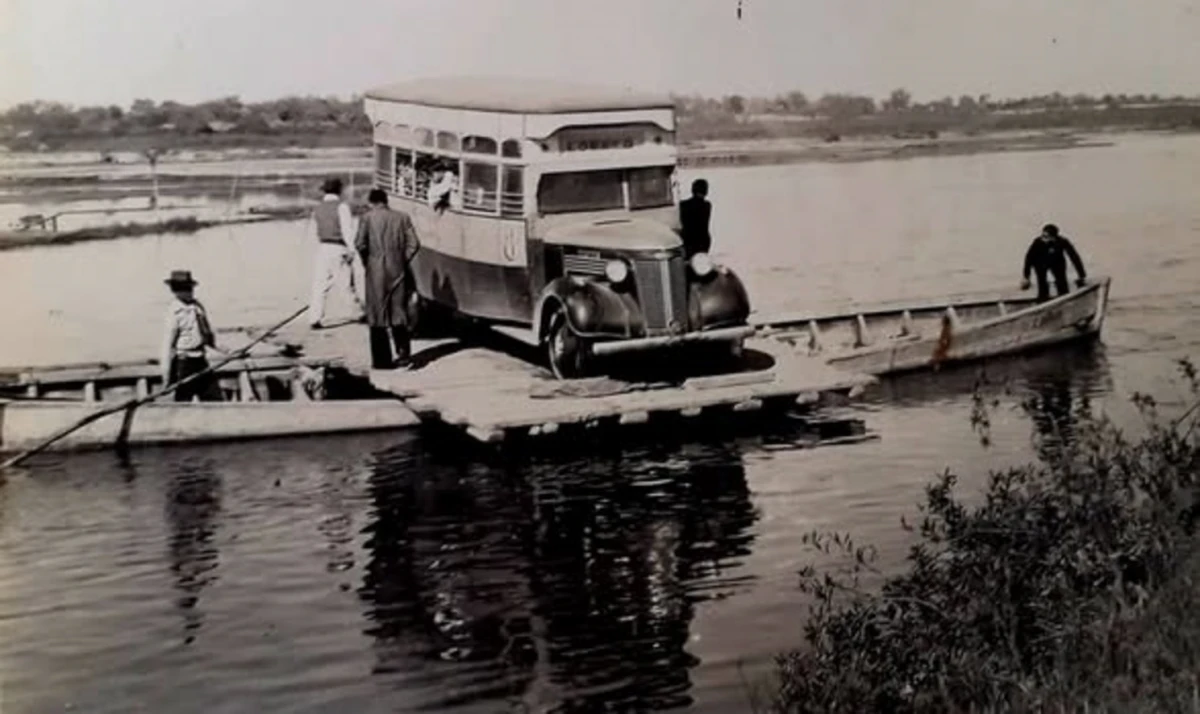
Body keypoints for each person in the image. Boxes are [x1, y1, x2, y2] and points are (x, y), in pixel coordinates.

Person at [355, 188, 422, 369]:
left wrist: (368, 262)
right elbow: (414, 244)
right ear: (386, 201)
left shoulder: (367, 218)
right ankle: (404, 356)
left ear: (372, 202)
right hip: (397, 270)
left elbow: (360, 244)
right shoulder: (402, 217)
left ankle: (381, 361)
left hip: (375, 271)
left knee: (377, 316)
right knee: (398, 313)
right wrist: (401, 259)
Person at [309, 177, 366, 329]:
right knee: (346, 283)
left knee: (319, 285)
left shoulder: (318, 208)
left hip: (323, 248)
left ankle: (314, 317)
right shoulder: (342, 207)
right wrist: (352, 250)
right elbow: (347, 231)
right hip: (338, 247)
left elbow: (314, 231)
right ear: (339, 190)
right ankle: (359, 312)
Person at [160, 270, 224, 402]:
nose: (190, 292)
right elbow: (167, 347)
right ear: (176, 291)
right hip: (184, 363)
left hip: (200, 360)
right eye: (185, 289)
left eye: (190, 288)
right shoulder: (174, 312)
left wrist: (227, 350)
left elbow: (208, 337)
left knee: (215, 399)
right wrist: (166, 378)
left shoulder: (198, 307)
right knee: (183, 401)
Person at [1021, 223, 1088, 302]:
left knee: (1061, 282)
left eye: (1046, 237)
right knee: (1042, 283)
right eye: (1043, 236)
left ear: (1054, 237)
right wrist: (1026, 277)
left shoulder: (1062, 241)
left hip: (1057, 262)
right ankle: (1042, 300)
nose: (1043, 238)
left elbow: (1074, 257)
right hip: (1040, 263)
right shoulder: (1037, 242)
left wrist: (1081, 275)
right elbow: (1029, 259)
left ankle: (1064, 299)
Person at [678, 178, 712, 257]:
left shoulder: (683, 205)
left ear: (692, 190)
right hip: (703, 241)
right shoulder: (707, 205)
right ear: (706, 191)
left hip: (687, 240)